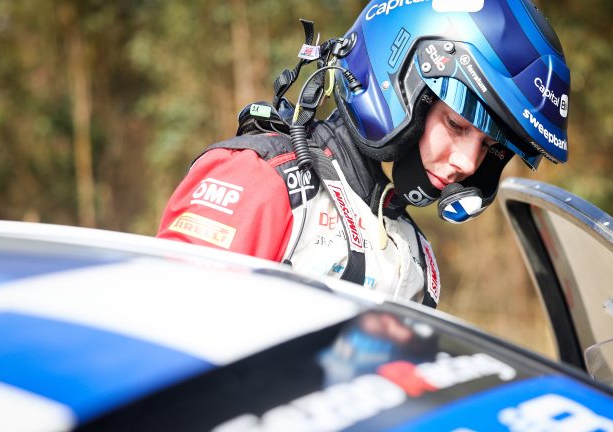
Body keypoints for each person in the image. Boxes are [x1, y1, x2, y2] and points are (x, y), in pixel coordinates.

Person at [157, 0, 571, 308]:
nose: (468, 163)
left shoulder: (413, 253)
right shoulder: (262, 181)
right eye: (456, 124)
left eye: (490, 147)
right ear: (403, 86)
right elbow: (164, 337)